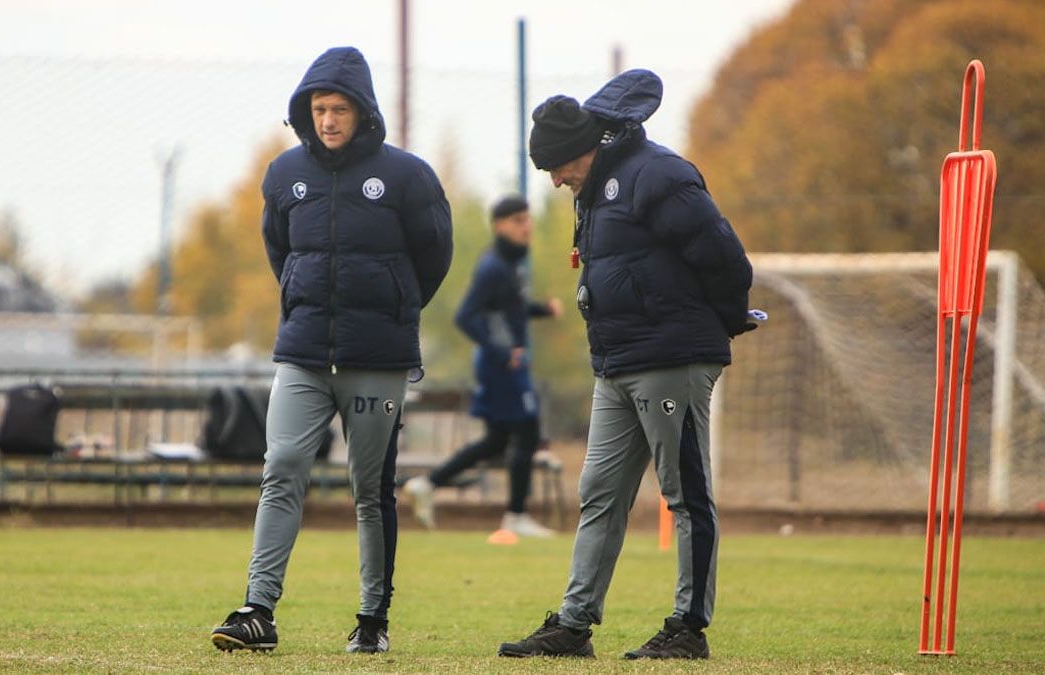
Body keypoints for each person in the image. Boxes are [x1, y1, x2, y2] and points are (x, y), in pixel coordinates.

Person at [497, 69, 753, 660]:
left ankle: (688, 628)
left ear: (583, 148)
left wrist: (719, 323)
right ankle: (573, 625)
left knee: (685, 494)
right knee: (599, 493)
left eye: (557, 166)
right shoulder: (596, 188)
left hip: (670, 359)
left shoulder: (658, 174)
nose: (555, 180)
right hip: (615, 363)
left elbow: (726, 259)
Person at [210, 46, 452, 656]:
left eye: (339, 108)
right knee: (282, 468)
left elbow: (434, 256)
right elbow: (281, 253)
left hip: (378, 360)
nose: (328, 120)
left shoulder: (408, 176)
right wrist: (306, 302)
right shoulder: (283, 174)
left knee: (369, 488)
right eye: (319, 109)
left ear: (362, 111)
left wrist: (393, 306)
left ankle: (372, 619)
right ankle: (257, 610)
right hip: (303, 354)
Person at [404, 195, 562, 538]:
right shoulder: (493, 268)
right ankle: (516, 515)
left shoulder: (510, 264)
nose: (526, 227)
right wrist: (503, 352)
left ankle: (428, 484)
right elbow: (465, 316)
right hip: (502, 367)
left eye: (527, 219)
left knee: (497, 440)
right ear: (500, 225)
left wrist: (542, 310)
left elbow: (510, 309)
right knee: (528, 430)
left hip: (503, 364)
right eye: (518, 220)